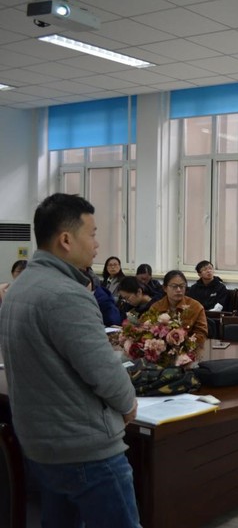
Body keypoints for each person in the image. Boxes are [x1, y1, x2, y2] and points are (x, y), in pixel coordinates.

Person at [0, 193, 140, 527]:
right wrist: (128, 402)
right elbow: (103, 370)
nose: (97, 243)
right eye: (92, 233)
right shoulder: (66, 294)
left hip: (42, 442)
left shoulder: (19, 288)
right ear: (66, 239)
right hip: (85, 447)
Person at [145, 269, 208, 348]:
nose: (178, 290)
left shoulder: (196, 307)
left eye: (182, 286)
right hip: (162, 350)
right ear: (165, 288)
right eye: (174, 286)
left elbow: (201, 334)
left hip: (188, 350)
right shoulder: (156, 307)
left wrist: (184, 344)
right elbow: (147, 330)